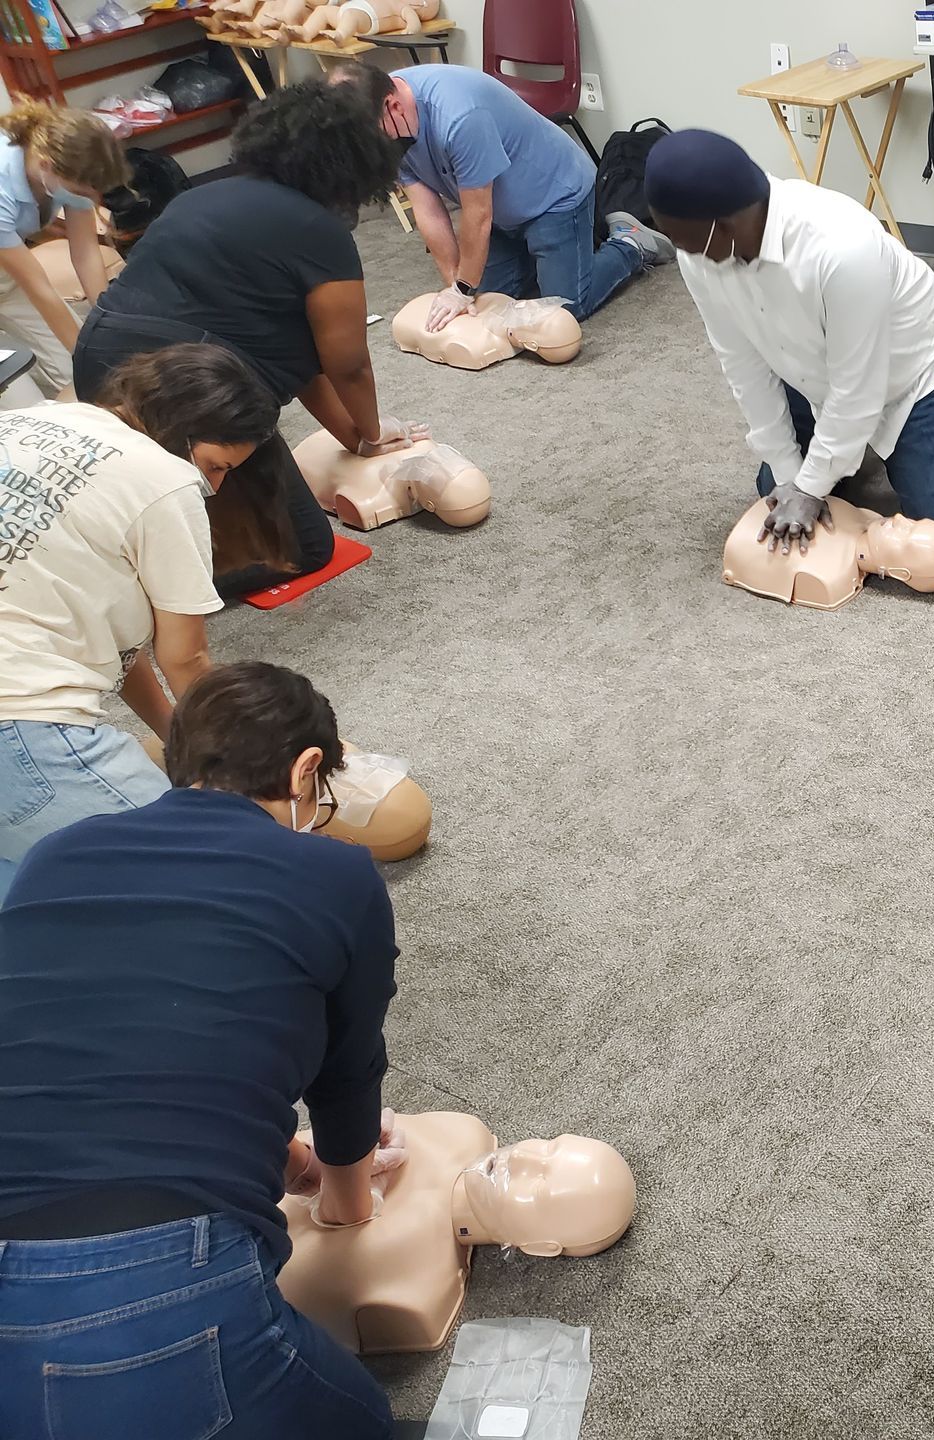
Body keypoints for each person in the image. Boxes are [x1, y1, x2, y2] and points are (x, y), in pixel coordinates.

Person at [0, 661, 398, 1440]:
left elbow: (109, 1055)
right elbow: (348, 1076)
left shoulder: (56, 854)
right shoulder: (334, 871)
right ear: (305, 770)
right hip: (144, 1294)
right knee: (361, 1417)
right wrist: (344, 1202)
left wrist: (296, 1163)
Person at [74, 81, 425, 598]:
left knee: (169, 498)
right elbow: (346, 363)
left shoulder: (199, 196)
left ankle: (138, 544)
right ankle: (147, 582)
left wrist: (354, 437)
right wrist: (373, 432)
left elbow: (297, 360)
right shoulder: (321, 234)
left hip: (96, 357)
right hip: (186, 388)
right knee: (300, 547)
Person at [643, 129, 934, 550]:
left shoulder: (842, 247)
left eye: (678, 237)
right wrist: (791, 476)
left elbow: (858, 390)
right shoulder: (699, 257)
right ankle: (844, 453)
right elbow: (742, 364)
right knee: (775, 491)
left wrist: (811, 486)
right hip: (805, 365)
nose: (678, 250)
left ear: (723, 224)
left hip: (906, 369)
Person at [0, 344, 280, 898]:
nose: (215, 486)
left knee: (36, 899)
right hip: (20, 730)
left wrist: (180, 745)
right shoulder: (164, 480)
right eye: (216, 466)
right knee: (233, 880)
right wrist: (242, 774)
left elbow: (120, 652)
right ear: (184, 429)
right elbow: (185, 658)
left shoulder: (25, 421)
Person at [328, 60, 665, 329]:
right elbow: (427, 210)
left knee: (564, 308)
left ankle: (630, 243)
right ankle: (546, 256)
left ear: (393, 106)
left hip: (555, 196)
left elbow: (478, 215)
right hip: (503, 213)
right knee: (488, 300)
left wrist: (463, 288)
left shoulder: (459, 116)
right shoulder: (380, 118)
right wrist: (456, 286)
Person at [0, 100, 128, 400]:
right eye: (82, 192)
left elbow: (85, 254)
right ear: (46, 165)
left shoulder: (67, 170)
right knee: (19, 391)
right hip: (16, 273)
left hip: (8, 271)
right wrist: (87, 358)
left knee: (76, 372)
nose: (88, 199)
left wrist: (107, 323)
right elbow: (38, 287)